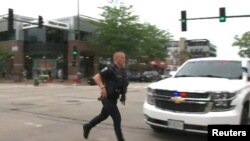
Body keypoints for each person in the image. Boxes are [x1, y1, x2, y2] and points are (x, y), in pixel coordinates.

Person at [83, 51, 129, 141]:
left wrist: (123, 95)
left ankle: (88, 126)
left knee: (103, 116)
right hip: (107, 98)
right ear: (116, 58)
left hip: (114, 98)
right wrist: (102, 86)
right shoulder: (110, 69)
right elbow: (96, 77)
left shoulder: (123, 70)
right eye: (122, 57)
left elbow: (123, 84)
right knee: (117, 119)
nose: (124, 59)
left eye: (124, 57)